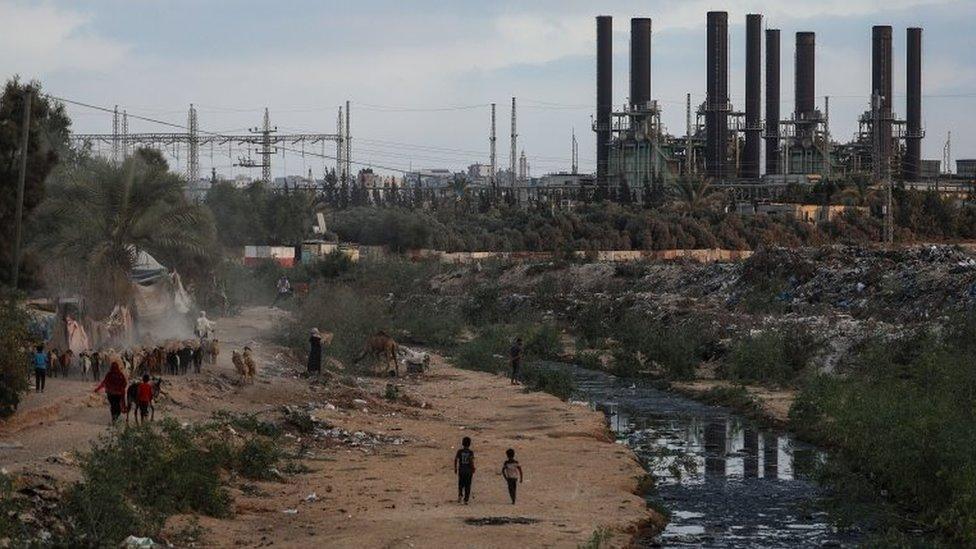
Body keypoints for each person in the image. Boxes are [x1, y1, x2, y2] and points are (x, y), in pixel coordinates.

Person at [454, 436, 476, 504]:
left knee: (461, 484)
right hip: (468, 471)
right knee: (468, 485)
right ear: (469, 444)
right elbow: (471, 461)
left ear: (462, 443)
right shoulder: (470, 452)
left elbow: (456, 459)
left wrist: (455, 468)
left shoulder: (460, 451)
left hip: (461, 470)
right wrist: (473, 468)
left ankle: (460, 495)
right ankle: (466, 499)